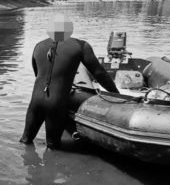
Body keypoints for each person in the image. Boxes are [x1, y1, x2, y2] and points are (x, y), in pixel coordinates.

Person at [20, 20, 119, 149]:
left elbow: (37, 74)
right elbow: (99, 73)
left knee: (25, 141)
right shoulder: (80, 46)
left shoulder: (38, 46)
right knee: (53, 147)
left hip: (36, 101)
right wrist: (116, 94)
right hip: (57, 103)